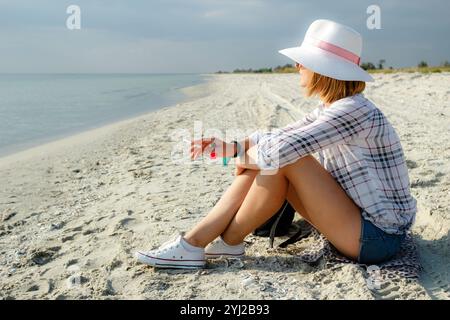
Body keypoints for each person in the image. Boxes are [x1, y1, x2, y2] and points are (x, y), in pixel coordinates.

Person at [135, 19, 417, 269]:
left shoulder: (354, 111)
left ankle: (198, 243)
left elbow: (280, 150)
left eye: (303, 62)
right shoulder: (334, 107)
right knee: (274, 160)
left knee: (286, 159)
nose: (297, 66)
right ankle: (217, 243)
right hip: (359, 223)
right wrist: (234, 147)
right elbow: (278, 135)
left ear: (323, 70)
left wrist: (241, 159)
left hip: (378, 238)